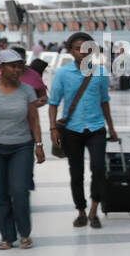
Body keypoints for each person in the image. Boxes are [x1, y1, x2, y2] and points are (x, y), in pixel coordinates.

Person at [0, 49, 45, 249]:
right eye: (13, 66)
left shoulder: (27, 90)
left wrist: (39, 145)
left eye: (20, 65)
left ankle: (25, 233)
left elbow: (34, 119)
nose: (18, 70)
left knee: (20, 190)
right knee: (0, 193)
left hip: (21, 146)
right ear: (0, 68)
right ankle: (7, 236)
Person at [48, 32, 117, 229]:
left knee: (99, 168)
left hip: (96, 128)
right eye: (78, 49)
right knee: (76, 173)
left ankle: (94, 209)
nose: (82, 53)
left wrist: (111, 127)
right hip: (72, 130)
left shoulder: (100, 73)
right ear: (70, 51)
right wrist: (53, 128)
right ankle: (81, 211)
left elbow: (105, 102)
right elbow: (53, 103)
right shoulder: (62, 74)